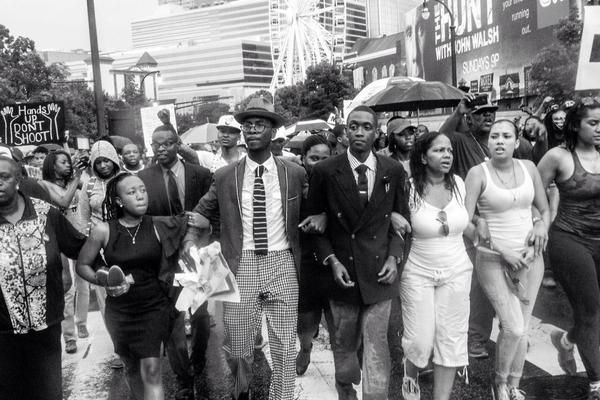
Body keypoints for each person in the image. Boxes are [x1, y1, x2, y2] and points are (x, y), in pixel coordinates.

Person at [184, 97, 307, 400]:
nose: (252, 130)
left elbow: (313, 207)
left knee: (284, 347)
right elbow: (201, 212)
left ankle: (282, 397)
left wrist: (320, 217)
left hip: (283, 262)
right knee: (238, 348)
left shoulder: (294, 173)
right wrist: (189, 242)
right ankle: (242, 392)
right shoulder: (225, 176)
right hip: (242, 264)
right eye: (247, 125)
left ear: (273, 132)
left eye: (259, 125)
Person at [306, 105, 409, 400]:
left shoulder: (392, 170)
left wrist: (394, 257)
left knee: (376, 345)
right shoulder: (325, 171)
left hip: (380, 272)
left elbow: (402, 222)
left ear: (377, 133)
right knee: (345, 343)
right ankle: (345, 388)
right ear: (345, 132)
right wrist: (331, 261)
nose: (359, 132)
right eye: (353, 126)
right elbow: (315, 226)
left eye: (366, 127)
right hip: (343, 272)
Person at [77, 172, 186, 400]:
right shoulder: (103, 230)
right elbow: (83, 265)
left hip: (154, 307)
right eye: (132, 192)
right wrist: (103, 280)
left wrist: (200, 224)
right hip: (120, 312)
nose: (140, 196)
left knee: (152, 371)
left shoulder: (157, 225)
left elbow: (190, 225)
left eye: (143, 190)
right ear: (119, 201)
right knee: (132, 369)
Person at [465, 120, 550, 400]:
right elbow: (465, 220)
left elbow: (543, 208)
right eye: (494, 136)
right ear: (488, 142)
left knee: (522, 328)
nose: (499, 141)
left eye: (506, 136)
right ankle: (499, 382)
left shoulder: (529, 168)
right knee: (512, 326)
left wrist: (541, 225)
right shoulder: (478, 173)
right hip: (494, 259)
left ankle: (513, 385)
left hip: (530, 258)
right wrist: (502, 250)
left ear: (517, 141)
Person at [0, 156, 86, 400]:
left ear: (18, 180)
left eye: (4, 177)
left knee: (47, 391)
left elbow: (79, 247)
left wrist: (106, 271)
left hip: (46, 325)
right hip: (2, 332)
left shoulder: (45, 213)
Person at [138, 124, 212, 400]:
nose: (160, 148)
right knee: (172, 321)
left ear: (177, 144)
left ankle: (199, 358)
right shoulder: (143, 178)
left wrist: (205, 228)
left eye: (167, 143)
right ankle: (183, 378)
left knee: (201, 316)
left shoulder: (200, 174)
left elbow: (213, 212)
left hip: (196, 254)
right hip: (164, 258)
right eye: (155, 144)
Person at [400, 131, 474, 400]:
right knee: (420, 341)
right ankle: (410, 373)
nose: (447, 155)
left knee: (451, 339)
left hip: (457, 269)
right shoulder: (408, 188)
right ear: (423, 157)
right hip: (417, 271)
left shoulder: (459, 184)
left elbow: (466, 223)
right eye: (439, 150)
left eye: (449, 151)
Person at [537, 98, 600, 399]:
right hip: (570, 240)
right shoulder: (558, 157)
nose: (599, 128)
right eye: (594, 123)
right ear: (576, 125)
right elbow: (532, 193)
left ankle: (566, 341)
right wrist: (538, 223)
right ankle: (596, 383)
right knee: (590, 311)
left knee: (595, 313)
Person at [439, 94, 499, 359]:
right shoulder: (462, 141)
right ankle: (475, 337)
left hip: (504, 221)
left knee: (510, 281)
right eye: (481, 112)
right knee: (479, 283)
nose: (488, 115)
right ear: (470, 118)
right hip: (472, 221)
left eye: (491, 111)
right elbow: (439, 138)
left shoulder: (502, 142)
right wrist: (457, 112)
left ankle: (510, 333)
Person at [77, 140, 123, 368]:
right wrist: (86, 245)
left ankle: (139, 341)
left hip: (125, 242)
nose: (103, 165)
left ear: (114, 159)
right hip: (99, 248)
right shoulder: (89, 186)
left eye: (107, 160)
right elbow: (82, 217)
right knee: (106, 298)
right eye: (98, 162)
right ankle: (119, 349)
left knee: (130, 291)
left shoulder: (125, 180)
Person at [38, 150, 87, 353]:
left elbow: (90, 190)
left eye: (69, 162)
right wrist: (76, 178)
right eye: (63, 162)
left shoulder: (73, 182)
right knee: (67, 287)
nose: (68, 165)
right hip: (59, 239)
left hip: (80, 236)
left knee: (84, 284)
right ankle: (69, 337)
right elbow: (64, 201)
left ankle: (82, 322)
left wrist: (84, 171)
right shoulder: (44, 185)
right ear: (52, 165)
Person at [295, 134, 333, 375]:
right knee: (306, 319)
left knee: (337, 318)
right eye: (314, 158)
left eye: (324, 158)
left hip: (335, 258)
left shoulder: (339, 181)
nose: (319, 164)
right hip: (306, 259)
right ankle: (306, 347)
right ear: (303, 159)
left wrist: (326, 216)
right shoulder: (295, 185)